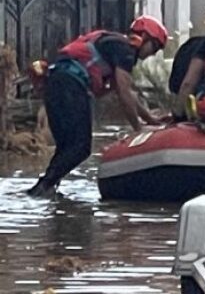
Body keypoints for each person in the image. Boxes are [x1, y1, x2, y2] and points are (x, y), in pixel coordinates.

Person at [28, 16, 169, 196]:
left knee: (67, 147)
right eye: (155, 47)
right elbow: (124, 94)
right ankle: (42, 188)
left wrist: (149, 118)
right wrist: (138, 128)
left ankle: (46, 188)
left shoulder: (113, 44)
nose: (153, 53)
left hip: (56, 83)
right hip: (71, 87)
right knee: (81, 147)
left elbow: (126, 92)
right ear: (144, 38)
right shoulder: (126, 51)